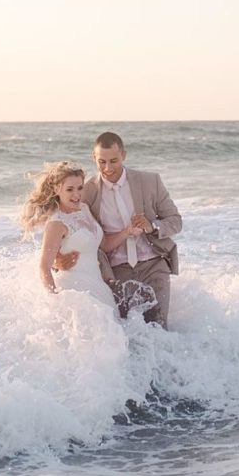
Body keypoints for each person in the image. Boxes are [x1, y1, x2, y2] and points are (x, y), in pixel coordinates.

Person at [56, 133, 182, 329]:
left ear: (124, 155)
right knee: (127, 334)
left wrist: (151, 226)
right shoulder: (87, 191)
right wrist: (57, 257)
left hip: (153, 265)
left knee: (159, 329)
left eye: (113, 161)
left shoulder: (150, 181)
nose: (108, 168)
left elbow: (175, 221)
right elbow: (65, 223)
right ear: (93, 158)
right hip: (116, 272)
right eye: (102, 162)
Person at [20, 161, 142, 307]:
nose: (76, 195)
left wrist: (127, 232)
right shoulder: (56, 223)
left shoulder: (84, 209)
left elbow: (103, 245)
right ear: (57, 189)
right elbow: (44, 267)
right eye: (70, 189)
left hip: (98, 288)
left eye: (80, 188)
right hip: (74, 291)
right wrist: (55, 300)